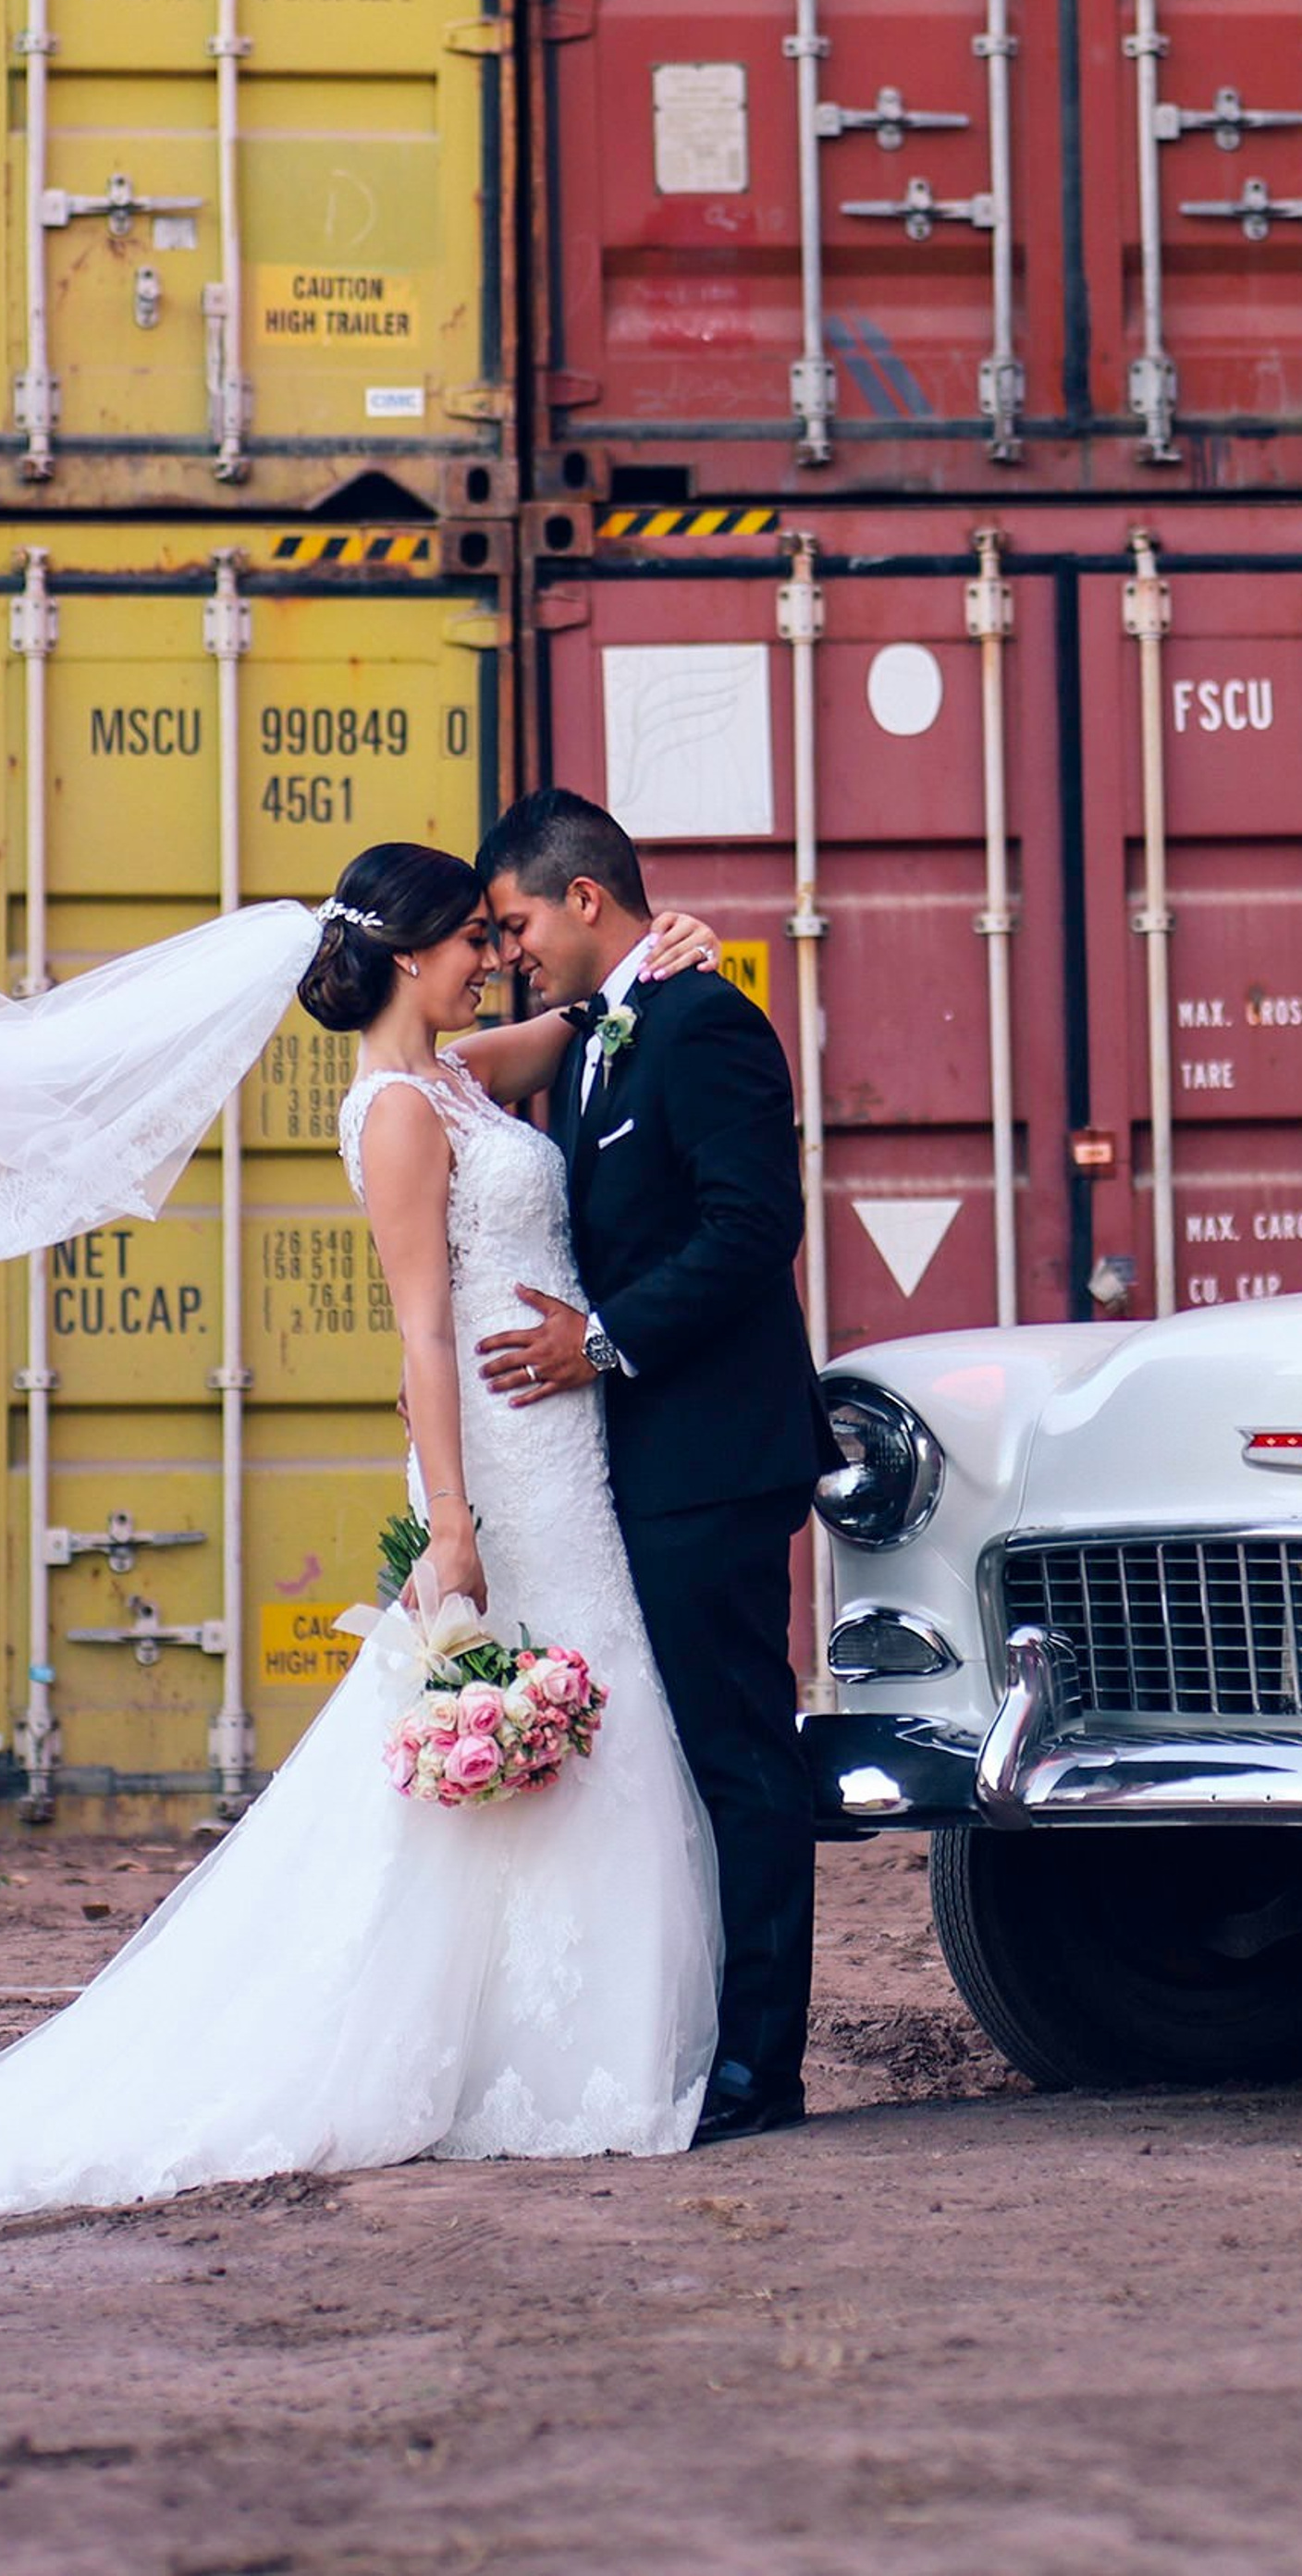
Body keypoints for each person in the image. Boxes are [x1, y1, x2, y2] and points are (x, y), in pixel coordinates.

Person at [0, 677, 736, 2237]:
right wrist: (454, 1528)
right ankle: (532, 2064)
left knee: (571, 1754)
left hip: (563, 1462)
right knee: (515, 1759)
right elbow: (418, 1341)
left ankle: (565, 2055)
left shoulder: (462, 1081)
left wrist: (671, 960)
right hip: (503, 1480)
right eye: (477, 935)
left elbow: (588, 1022)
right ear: (416, 955)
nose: (499, 953)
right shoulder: (401, 1113)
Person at [473, 792, 834, 2149]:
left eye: (514, 925)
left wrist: (602, 1343)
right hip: (641, 1462)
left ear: (582, 898)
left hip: (715, 1460)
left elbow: (755, 1231)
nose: (506, 952)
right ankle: (701, 2044)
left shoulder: (708, 1024)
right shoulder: (611, 1030)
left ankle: (760, 2073)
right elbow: (441, 1059)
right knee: (680, 1761)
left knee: (741, 1760)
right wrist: (580, 1011)